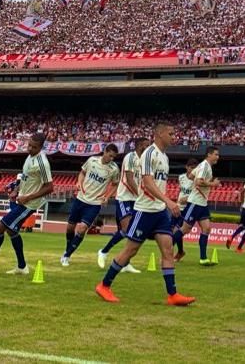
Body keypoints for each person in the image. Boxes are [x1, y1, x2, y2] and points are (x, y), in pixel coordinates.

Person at [95, 121, 195, 306]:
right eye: (171, 134)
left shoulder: (164, 157)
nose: (174, 137)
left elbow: (157, 183)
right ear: (160, 134)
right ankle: (104, 285)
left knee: (167, 249)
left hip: (159, 212)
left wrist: (164, 204)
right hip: (144, 211)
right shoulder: (149, 154)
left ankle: (172, 294)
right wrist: (168, 201)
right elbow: (148, 183)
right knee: (130, 251)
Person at [0, 133, 53, 275]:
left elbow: (49, 187)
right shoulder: (29, 157)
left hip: (29, 204)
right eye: (29, 145)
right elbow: (25, 177)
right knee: (11, 230)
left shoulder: (42, 163)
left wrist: (28, 197)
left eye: (34, 147)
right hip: (21, 198)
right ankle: (22, 267)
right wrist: (16, 190)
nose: (30, 149)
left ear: (41, 147)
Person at [61, 144, 120, 266]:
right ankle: (68, 249)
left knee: (82, 229)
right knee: (70, 228)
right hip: (81, 198)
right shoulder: (92, 160)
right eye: (110, 156)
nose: (111, 159)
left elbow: (115, 184)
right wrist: (79, 183)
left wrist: (107, 197)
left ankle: (67, 255)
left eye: (113, 157)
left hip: (95, 203)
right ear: (105, 152)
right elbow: (82, 173)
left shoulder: (114, 169)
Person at [97, 137, 149, 272]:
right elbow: (129, 179)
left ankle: (125, 263)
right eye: (145, 145)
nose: (147, 148)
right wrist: (140, 194)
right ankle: (103, 251)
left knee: (129, 232)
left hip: (135, 200)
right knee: (127, 230)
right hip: (124, 198)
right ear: (138, 146)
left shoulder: (144, 161)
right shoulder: (130, 157)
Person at [174, 146, 221, 266]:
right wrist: (213, 184)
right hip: (195, 202)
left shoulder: (202, 166)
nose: (217, 157)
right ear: (209, 154)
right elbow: (199, 181)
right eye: (216, 154)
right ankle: (166, 253)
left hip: (202, 203)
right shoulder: (205, 166)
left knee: (206, 229)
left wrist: (197, 181)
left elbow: (190, 176)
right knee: (185, 229)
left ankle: (203, 259)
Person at [172, 158, 198, 259]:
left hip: (187, 208)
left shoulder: (196, 180)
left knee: (176, 231)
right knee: (173, 231)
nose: (193, 170)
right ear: (186, 167)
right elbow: (181, 190)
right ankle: (181, 252)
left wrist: (187, 199)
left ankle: (170, 255)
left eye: (195, 168)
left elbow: (196, 194)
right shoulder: (181, 177)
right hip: (178, 207)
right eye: (191, 167)